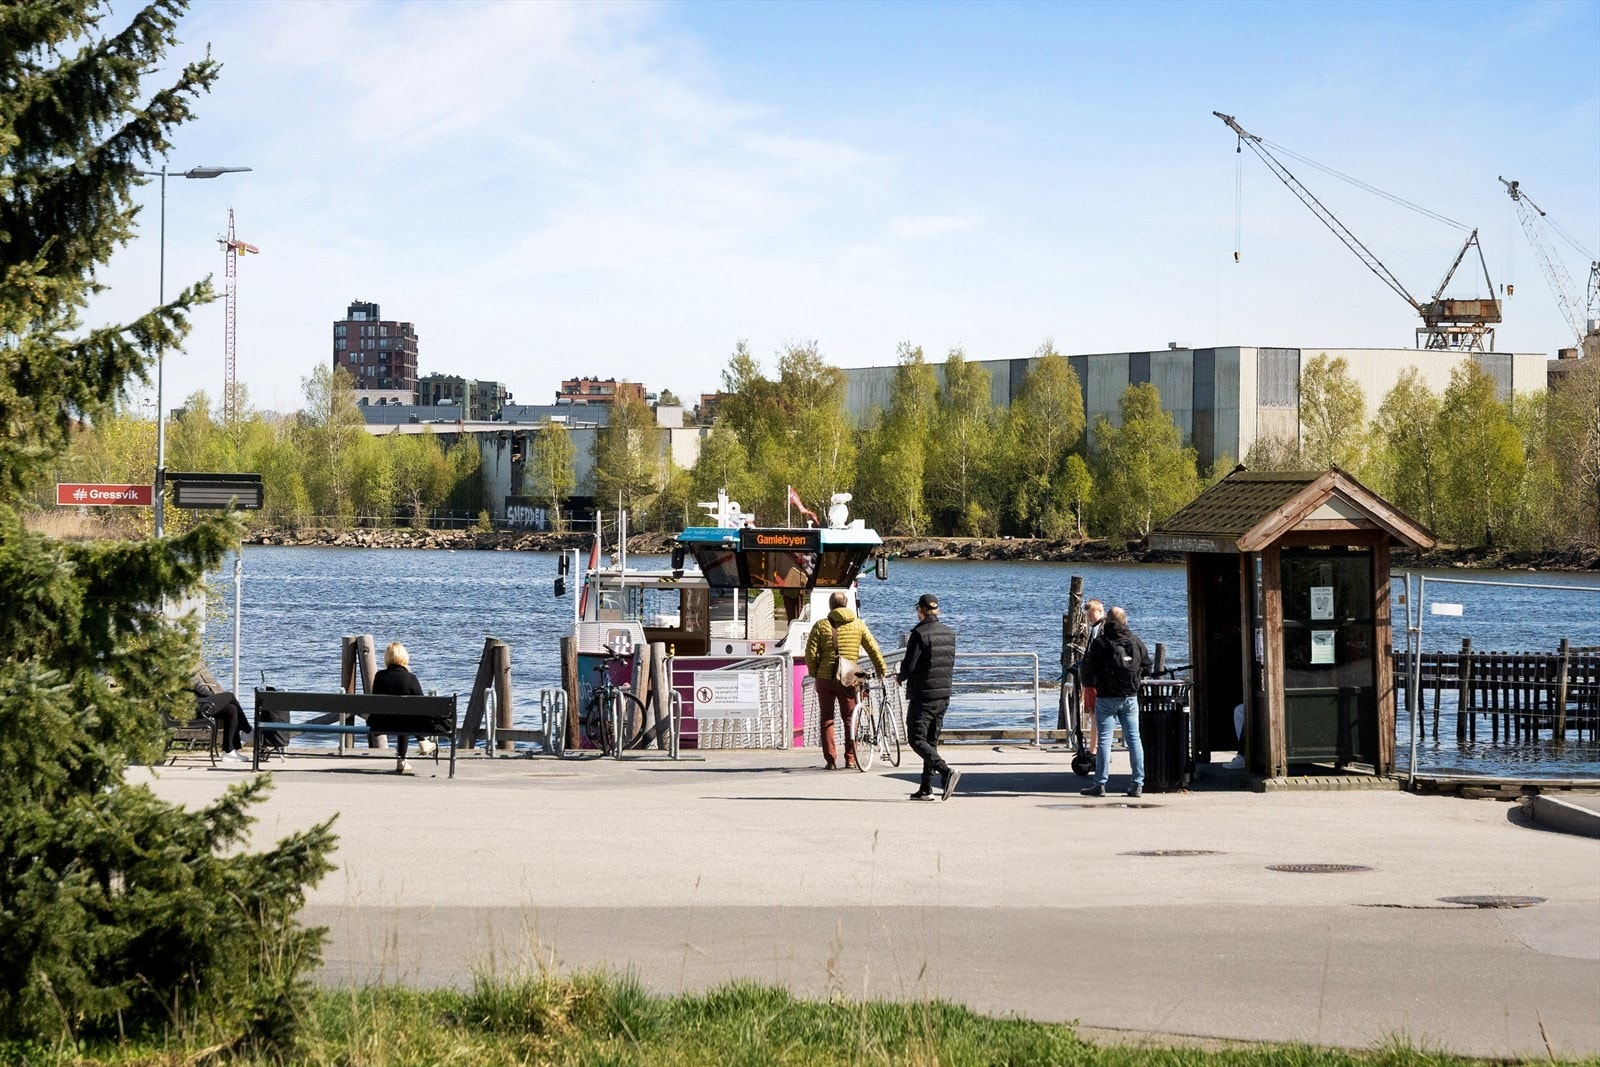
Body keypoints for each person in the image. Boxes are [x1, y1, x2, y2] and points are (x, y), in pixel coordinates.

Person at [804, 591, 889, 769]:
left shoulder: (821, 625)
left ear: (830, 606)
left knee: (827, 719)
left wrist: (814, 672)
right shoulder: (858, 625)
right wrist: (881, 669)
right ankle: (850, 758)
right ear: (846, 604)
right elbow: (873, 648)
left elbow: (810, 652)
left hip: (825, 678)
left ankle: (831, 760)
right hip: (848, 678)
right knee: (850, 718)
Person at [1080, 605, 1151, 798]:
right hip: (1130, 697)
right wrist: (1135, 680)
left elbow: (1087, 670)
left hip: (1106, 697)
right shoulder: (1135, 640)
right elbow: (1147, 665)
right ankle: (1137, 783)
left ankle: (1100, 784)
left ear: (1107, 622)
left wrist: (1095, 684)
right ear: (1125, 621)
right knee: (1134, 739)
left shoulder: (1101, 642)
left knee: (1104, 741)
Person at [898, 593, 960, 801]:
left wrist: (900, 677)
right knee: (931, 741)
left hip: (923, 694)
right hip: (943, 694)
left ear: (920, 610)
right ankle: (926, 787)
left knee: (916, 739)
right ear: (937, 609)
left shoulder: (919, 634)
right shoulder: (949, 633)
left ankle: (946, 771)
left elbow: (909, 666)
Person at [372, 641, 432, 774]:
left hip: (380, 722)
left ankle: (408, 755)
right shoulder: (410, 678)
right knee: (407, 716)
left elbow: (375, 700)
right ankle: (421, 742)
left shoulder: (379, 676)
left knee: (403, 716)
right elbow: (423, 703)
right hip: (405, 723)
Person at [191, 664, 252, 763]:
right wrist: (214, 696)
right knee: (230, 696)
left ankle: (229, 751)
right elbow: (201, 691)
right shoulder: (181, 669)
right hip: (196, 708)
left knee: (231, 709)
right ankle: (247, 730)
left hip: (195, 706)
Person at [1078, 599, 1106, 754]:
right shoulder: (1096, 628)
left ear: (1101, 611)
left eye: (1091, 613)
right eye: (1087, 614)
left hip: (1095, 680)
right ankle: (1096, 748)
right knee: (1093, 713)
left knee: (1095, 713)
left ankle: (1094, 749)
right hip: (1091, 679)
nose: (1089, 617)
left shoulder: (1101, 629)